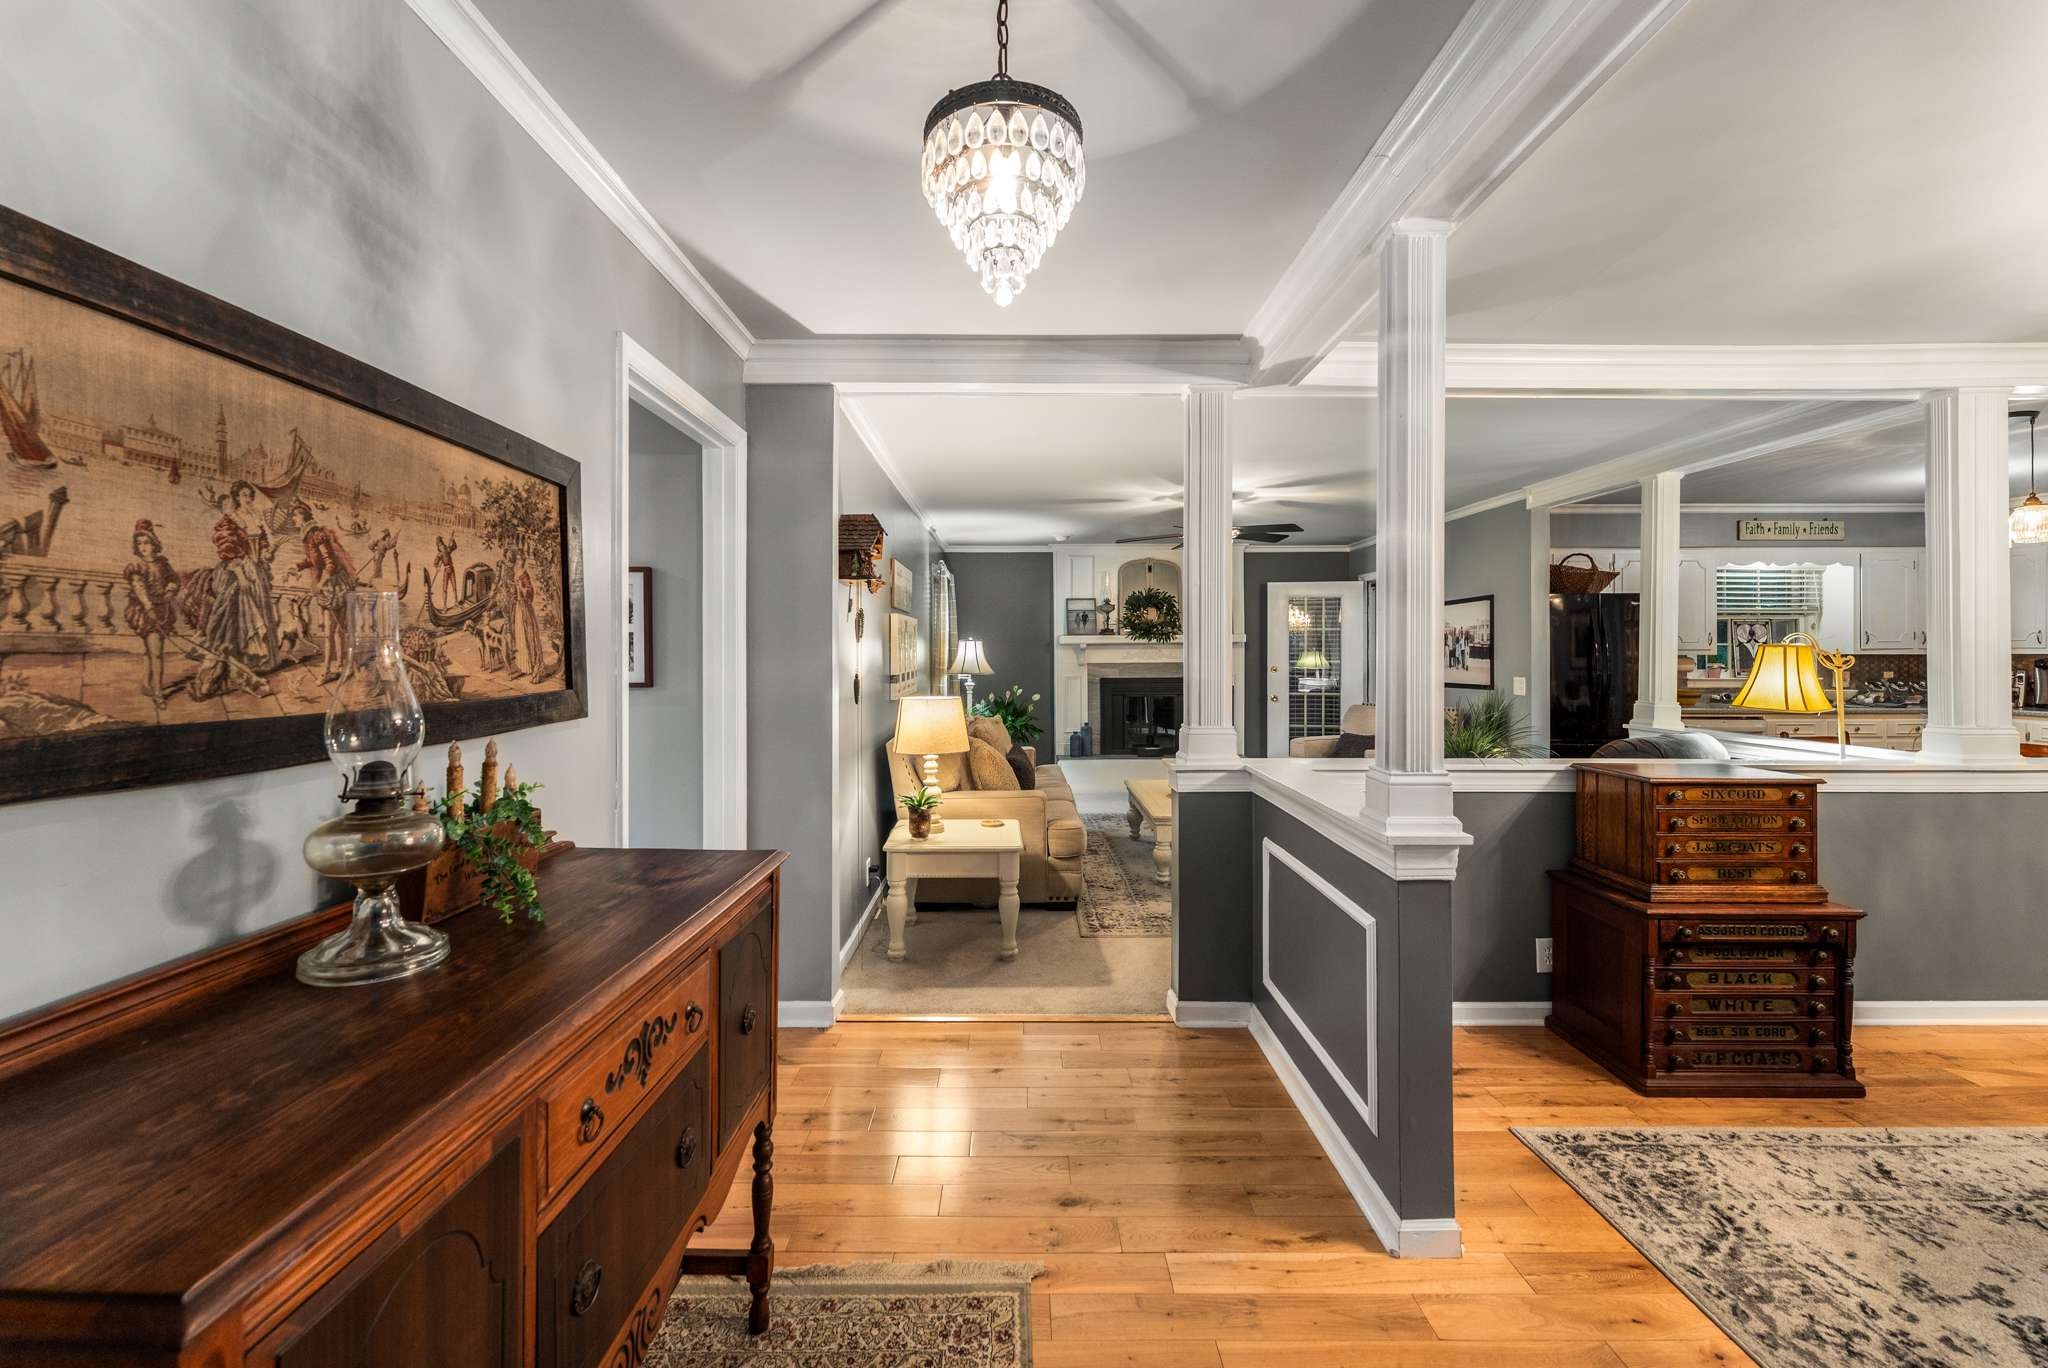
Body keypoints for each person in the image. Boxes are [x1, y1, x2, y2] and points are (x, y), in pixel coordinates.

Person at [182, 481, 280, 696]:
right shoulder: (230, 520)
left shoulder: (255, 517)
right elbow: (227, 548)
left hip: (257, 573)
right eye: (243, 495)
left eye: (250, 495)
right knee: (233, 621)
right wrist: (241, 574)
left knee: (256, 617)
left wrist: (266, 552)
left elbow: (262, 544)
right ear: (236, 497)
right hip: (236, 574)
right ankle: (222, 669)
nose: (248, 499)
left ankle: (248, 663)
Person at [286, 501, 360, 683]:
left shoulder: (317, 534)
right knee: (331, 632)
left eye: (295, 516)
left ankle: (335, 669)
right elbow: (313, 559)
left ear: (303, 516)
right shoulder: (308, 535)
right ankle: (334, 668)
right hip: (327, 587)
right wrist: (297, 566)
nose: (292, 519)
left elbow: (330, 563)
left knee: (335, 631)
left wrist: (322, 583)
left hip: (335, 586)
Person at [123, 519, 181, 706]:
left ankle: (147, 684)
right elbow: (139, 590)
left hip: (162, 608)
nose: (143, 547)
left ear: (154, 543)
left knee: (151, 651)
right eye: (139, 543)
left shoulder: (163, 563)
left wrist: (170, 591)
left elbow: (173, 579)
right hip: (145, 610)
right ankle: (157, 691)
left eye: (146, 542)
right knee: (156, 653)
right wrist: (149, 608)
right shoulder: (137, 567)